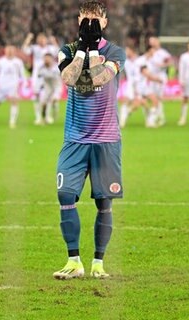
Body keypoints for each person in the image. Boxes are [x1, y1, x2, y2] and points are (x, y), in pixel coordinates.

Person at [53, 1, 126, 280]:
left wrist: (94, 47)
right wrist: (83, 47)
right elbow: (69, 79)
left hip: (106, 139)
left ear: (105, 22)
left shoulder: (116, 52)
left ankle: (98, 263)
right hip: (75, 138)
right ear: (78, 20)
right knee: (65, 194)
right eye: (86, 18)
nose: (91, 22)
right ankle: (74, 261)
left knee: (104, 201)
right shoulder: (68, 50)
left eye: (96, 18)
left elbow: (100, 78)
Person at [120, 47, 163, 128]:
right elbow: (145, 73)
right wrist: (157, 79)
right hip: (137, 85)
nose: (154, 54)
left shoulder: (143, 60)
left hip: (142, 84)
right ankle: (125, 116)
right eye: (152, 52)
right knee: (137, 104)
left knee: (152, 101)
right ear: (148, 51)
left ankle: (150, 121)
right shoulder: (140, 61)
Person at [22, 32, 60, 125]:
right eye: (40, 39)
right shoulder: (35, 48)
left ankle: (47, 116)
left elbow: (59, 51)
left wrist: (54, 41)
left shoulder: (50, 48)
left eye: (43, 39)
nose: (42, 41)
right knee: (36, 95)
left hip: (49, 74)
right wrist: (28, 39)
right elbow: (24, 50)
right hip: (37, 74)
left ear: (46, 40)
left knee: (48, 97)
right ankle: (38, 117)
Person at [0, 45, 26, 129]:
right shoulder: (1, 61)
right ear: (5, 52)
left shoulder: (18, 62)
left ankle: (12, 122)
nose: (10, 52)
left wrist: (25, 83)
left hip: (13, 85)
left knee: (14, 101)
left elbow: (22, 73)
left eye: (11, 51)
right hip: (2, 86)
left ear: (14, 52)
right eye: (8, 51)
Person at [147, 36, 172, 126]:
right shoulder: (149, 53)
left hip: (160, 77)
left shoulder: (163, 53)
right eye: (151, 42)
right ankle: (157, 117)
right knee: (153, 98)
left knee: (159, 97)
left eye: (153, 41)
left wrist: (163, 65)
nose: (152, 43)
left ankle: (160, 117)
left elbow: (169, 61)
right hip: (151, 77)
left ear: (158, 42)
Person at [36, 53, 62, 125]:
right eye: (45, 59)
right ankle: (43, 117)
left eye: (48, 58)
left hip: (56, 87)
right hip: (47, 87)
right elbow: (38, 78)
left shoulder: (57, 67)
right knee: (43, 103)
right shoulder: (41, 68)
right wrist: (38, 88)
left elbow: (63, 76)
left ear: (51, 59)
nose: (46, 60)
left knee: (53, 100)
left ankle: (52, 115)